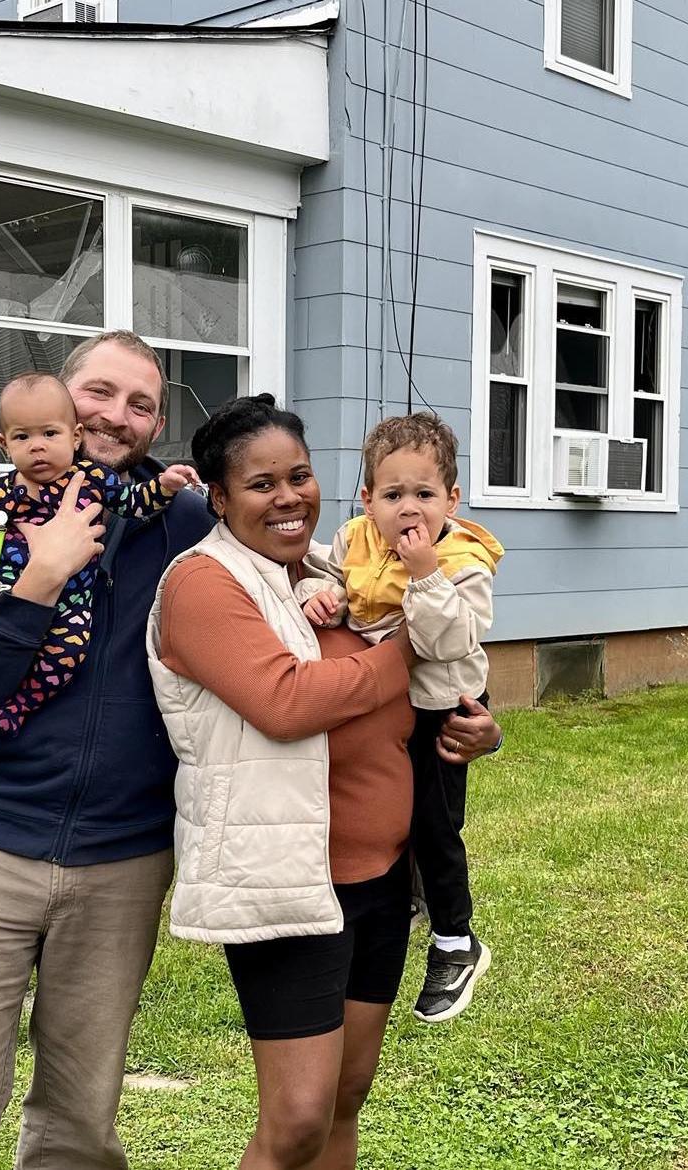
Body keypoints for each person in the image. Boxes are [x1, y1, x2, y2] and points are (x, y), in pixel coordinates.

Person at [146, 395, 502, 1170]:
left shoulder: (335, 571)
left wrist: (482, 726)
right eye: (261, 483)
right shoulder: (206, 585)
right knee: (299, 1117)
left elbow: (437, 680)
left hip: (381, 878)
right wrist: (411, 646)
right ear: (220, 497)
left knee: (347, 1095)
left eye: (299, 476)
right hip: (294, 885)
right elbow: (286, 703)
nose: (287, 497)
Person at [0, 331, 213, 1170]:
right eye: (100, 393)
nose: (118, 415)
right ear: (59, 408)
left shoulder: (182, 521)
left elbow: (288, 579)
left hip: (123, 860)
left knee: (79, 1124)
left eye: (142, 404)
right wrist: (38, 579)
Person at [295, 413, 504, 1024]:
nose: (408, 510)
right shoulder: (355, 538)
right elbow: (337, 583)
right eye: (392, 495)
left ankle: (456, 943)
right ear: (367, 499)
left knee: (435, 830)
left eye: (424, 495)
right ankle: (402, 908)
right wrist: (322, 595)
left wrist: (425, 576)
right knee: (391, 817)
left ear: (452, 500)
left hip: (444, 711)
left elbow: (449, 641)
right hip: (387, 708)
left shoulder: (463, 559)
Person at [0, 371, 197, 735]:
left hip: (74, 600)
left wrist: (164, 487)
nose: (37, 446)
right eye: (23, 437)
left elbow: (132, 502)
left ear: (74, 436)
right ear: (4, 444)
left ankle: (20, 705)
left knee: (69, 655)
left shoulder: (93, 479)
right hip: (5, 579)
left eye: (50, 434)